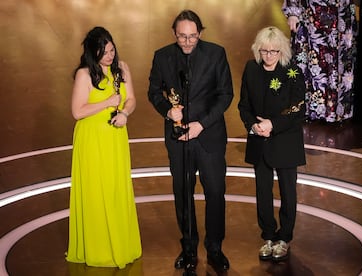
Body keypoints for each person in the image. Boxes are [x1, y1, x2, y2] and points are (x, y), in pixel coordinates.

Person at [147, 9, 233, 272]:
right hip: (178, 139)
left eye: (192, 36)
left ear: (201, 33)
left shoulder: (216, 54)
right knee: (183, 195)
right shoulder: (162, 57)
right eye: (182, 36)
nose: (187, 42)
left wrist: (201, 124)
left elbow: (225, 95)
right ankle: (189, 249)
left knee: (215, 193)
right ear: (174, 34)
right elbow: (154, 92)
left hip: (209, 137)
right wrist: (167, 110)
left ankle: (215, 249)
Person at [66, 26, 141, 268]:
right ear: (92, 52)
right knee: (96, 190)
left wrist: (125, 113)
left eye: (112, 49)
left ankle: (120, 243)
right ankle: (99, 248)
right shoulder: (85, 74)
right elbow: (78, 112)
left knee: (115, 188)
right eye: (104, 52)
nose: (110, 55)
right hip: (92, 140)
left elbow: (131, 99)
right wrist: (108, 103)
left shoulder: (122, 68)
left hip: (115, 136)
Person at [238, 26, 306, 262]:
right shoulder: (251, 69)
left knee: (288, 193)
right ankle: (268, 236)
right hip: (260, 141)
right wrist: (253, 126)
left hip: (285, 141)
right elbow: (243, 105)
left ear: (282, 51)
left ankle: (284, 238)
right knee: (262, 192)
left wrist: (272, 125)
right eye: (264, 51)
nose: (268, 56)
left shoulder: (293, 73)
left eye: (273, 51)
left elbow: (298, 110)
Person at [282, 0, 358, 122]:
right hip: (313, 15)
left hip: (342, 15)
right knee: (315, 62)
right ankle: (311, 110)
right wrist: (293, 12)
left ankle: (336, 111)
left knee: (341, 63)